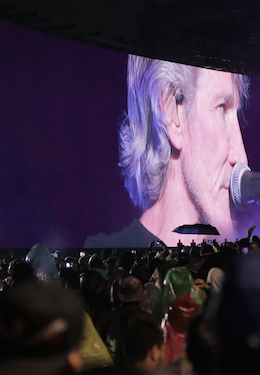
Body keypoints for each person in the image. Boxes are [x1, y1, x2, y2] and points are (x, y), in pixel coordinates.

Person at [86, 55, 250, 248]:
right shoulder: (105, 265)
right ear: (171, 114)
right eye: (222, 108)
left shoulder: (239, 264)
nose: (241, 157)